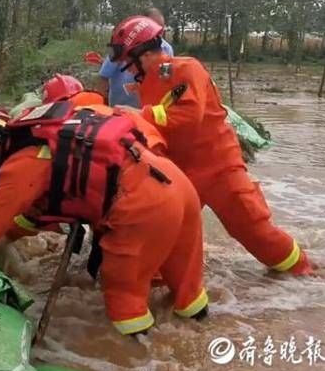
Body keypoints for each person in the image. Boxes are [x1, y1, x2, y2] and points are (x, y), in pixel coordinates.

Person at [0, 105, 207, 336]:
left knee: (124, 299)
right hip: (174, 181)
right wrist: (11, 235)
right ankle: (205, 332)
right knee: (187, 289)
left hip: (143, 206)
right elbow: (36, 214)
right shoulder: (55, 130)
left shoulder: (22, 164)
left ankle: (144, 362)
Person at [108, 16, 313, 276]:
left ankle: (302, 271)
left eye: (128, 61)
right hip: (182, 171)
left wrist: (140, 115)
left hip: (219, 166)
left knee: (251, 229)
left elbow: (189, 116)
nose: (126, 68)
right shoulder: (147, 81)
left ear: (144, 54)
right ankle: (168, 292)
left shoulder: (186, 69)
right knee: (163, 232)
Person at [96, 7, 174, 107]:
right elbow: (103, 77)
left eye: (160, 29)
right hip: (119, 108)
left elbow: (165, 79)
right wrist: (103, 106)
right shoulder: (123, 46)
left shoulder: (167, 49)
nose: (158, 34)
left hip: (146, 111)